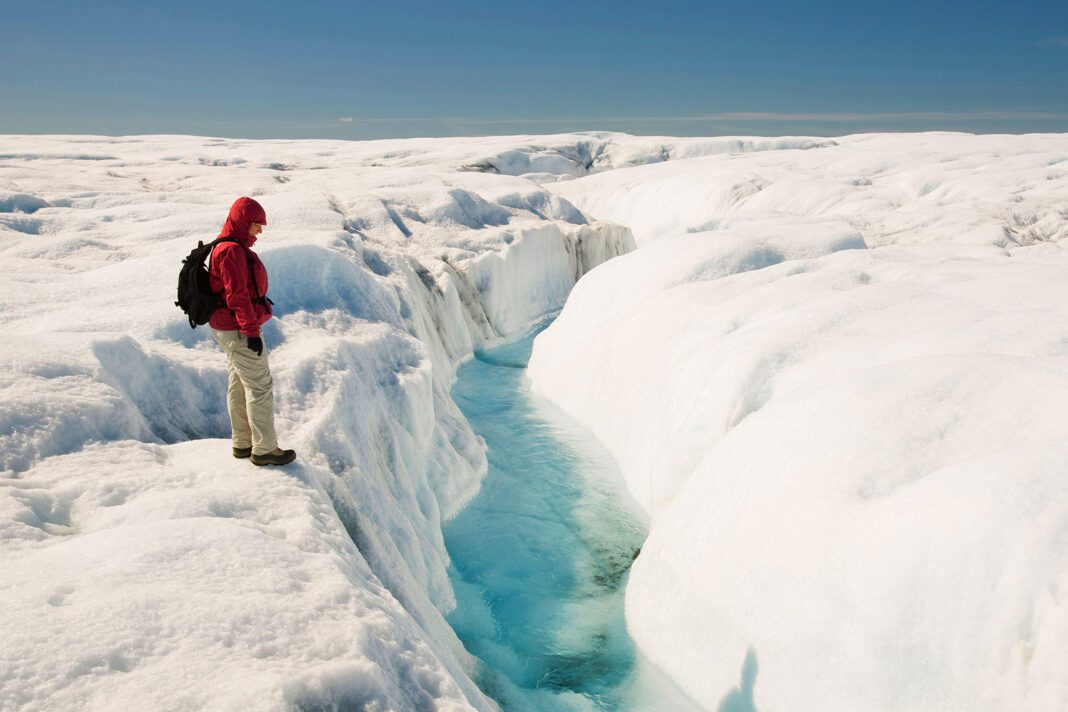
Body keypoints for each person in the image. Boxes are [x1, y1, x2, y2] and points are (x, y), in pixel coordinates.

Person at [209, 197, 296, 466]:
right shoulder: (231, 252)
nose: (260, 231)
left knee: (239, 382)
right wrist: (252, 332)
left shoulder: (228, 247)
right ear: (243, 223)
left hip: (228, 327)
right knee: (260, 386)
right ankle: (265, 449)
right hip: (238, 329)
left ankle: (243, 443)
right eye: (256, 225)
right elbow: (238, 297)